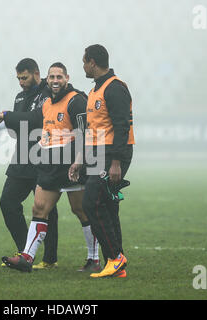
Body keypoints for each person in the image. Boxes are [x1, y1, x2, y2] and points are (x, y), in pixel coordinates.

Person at [0, 62, 100, 272]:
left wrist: (79, 161)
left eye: (59, 77)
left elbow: (85, 132)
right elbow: (34, 121)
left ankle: (94, 259)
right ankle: (27, 258)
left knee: (80, 210)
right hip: (50, 166)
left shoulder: (76, 100)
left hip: (71, 166)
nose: (55, 81)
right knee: (39, 208)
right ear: (47, 80)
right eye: (52, 77)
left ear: (67, 78)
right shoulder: (47, 103)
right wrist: (6, 117)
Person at [69, 44, 135, 279]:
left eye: (84, 61)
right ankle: (116, 261)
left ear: (93, 62)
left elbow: (121, 126)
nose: (83, 65)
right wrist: (80, 160)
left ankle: (115, 258)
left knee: (91, 204)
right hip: (98, 154)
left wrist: (116, 162)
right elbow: (92, 130)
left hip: (112, 155)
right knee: (107, 205)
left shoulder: (114, 88)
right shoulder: (96, 90)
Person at [0, 58, 60, 269]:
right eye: (18, 78)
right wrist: (13, 119)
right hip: (22, 158)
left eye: (24, 78)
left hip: (44, 157)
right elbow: (16, 129)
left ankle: (50, 258)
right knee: (7, 203)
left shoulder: (47, 93)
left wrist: (8, 116)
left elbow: (35, 120)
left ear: (36, 73)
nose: (21, 82)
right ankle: (25, 252)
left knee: (47, 209)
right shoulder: (19, 96)